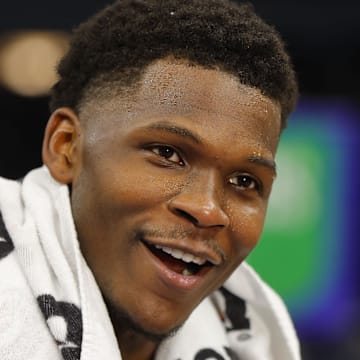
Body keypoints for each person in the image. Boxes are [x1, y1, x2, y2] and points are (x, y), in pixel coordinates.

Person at [0, 0, 301, 359]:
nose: (207, 209)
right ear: (66, 147)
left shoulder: (258, 340)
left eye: (244, 181)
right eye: (167, 154)